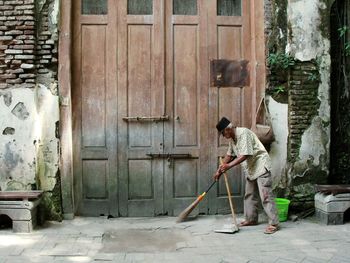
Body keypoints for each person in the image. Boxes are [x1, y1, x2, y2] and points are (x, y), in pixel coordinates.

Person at [214, 117, 279, 234]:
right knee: (249, 194)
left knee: (265, 195)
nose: (223, 136)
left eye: (223, 133)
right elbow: (229, 155)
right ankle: (251, 219)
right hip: (251, 169)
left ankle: (274, 223)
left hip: (260, 166)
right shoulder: (233, 140)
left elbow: (245, 155)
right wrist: (220, 169)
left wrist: (228, 166)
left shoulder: (243, 133)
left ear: (228, 129)